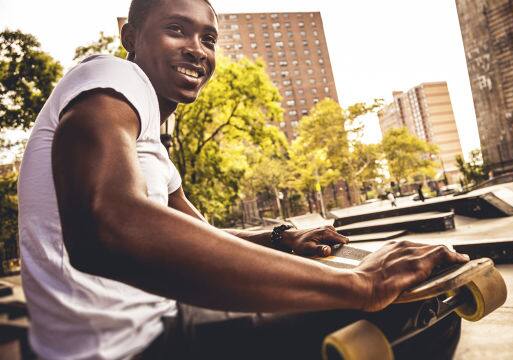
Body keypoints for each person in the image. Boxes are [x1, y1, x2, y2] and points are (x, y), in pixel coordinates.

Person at [17, 0, 469, 358]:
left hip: (159, 319)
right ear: (130, 38)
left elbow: (202, 235)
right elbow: (105, 226)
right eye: (177, 29)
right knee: (418, 310)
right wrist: (360, 284)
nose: (198, 49)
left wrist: (281, 238)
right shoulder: (112, 76)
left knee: (409, 303)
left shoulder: (150, 142)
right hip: (129, 347)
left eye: (208, 38)